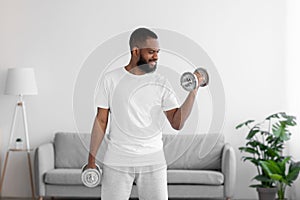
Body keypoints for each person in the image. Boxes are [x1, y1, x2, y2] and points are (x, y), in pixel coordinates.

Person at [87, 27, 203, 200]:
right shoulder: (110, 79)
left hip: (153, 159)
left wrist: (193, 91)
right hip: (117, 159)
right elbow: (101, 121)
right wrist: (91, 160)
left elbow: (177, 123)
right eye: (151, 52)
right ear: (135, 51)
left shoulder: (161, 82)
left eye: (157, 52)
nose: (156, 57)